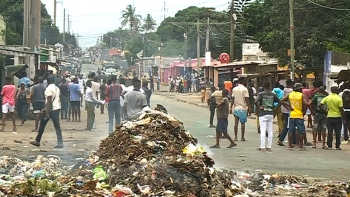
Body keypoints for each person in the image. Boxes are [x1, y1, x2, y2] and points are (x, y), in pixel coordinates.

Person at [30, 76, 63, 148]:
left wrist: (47, 112)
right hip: (56, 108)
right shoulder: (57, 88)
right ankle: (60, 142)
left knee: (42, 125)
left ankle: (37, 141)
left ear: (47, 81)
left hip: (50, 109)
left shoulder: (48, 88)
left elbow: (49, 100)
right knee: (57, 126)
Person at [256, 82, 287, 151]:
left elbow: (256, 101)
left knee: (263, 130)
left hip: (263, 113)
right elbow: (280, 102)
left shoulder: (261, 94)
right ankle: (269, 147)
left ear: (263, 86)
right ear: (270, 86)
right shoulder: (273, 94)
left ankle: (262, 146)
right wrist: (274, 109)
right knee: (270, 130)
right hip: (270, 113)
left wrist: (259, 106)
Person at [282, 83, 307, 151]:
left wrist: (289, 107)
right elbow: (306, 103)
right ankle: (301, 146)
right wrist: (304, 111)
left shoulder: (290, 94)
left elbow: (282, 100)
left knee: (290, 131)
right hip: (299, 115)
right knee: (301, 131)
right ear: (299, 89)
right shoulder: (301, 95)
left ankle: (290, 145)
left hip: (292, 115)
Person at [277, 79, 295, 146]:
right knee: (288, 126)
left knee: (288, 125)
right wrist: (289, 107)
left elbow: (282, 100)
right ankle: (281, 139)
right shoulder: (291, 91)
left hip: (284, 109)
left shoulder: (284, 90)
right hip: (289, 111)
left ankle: (294, 141)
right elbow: (286, 100)